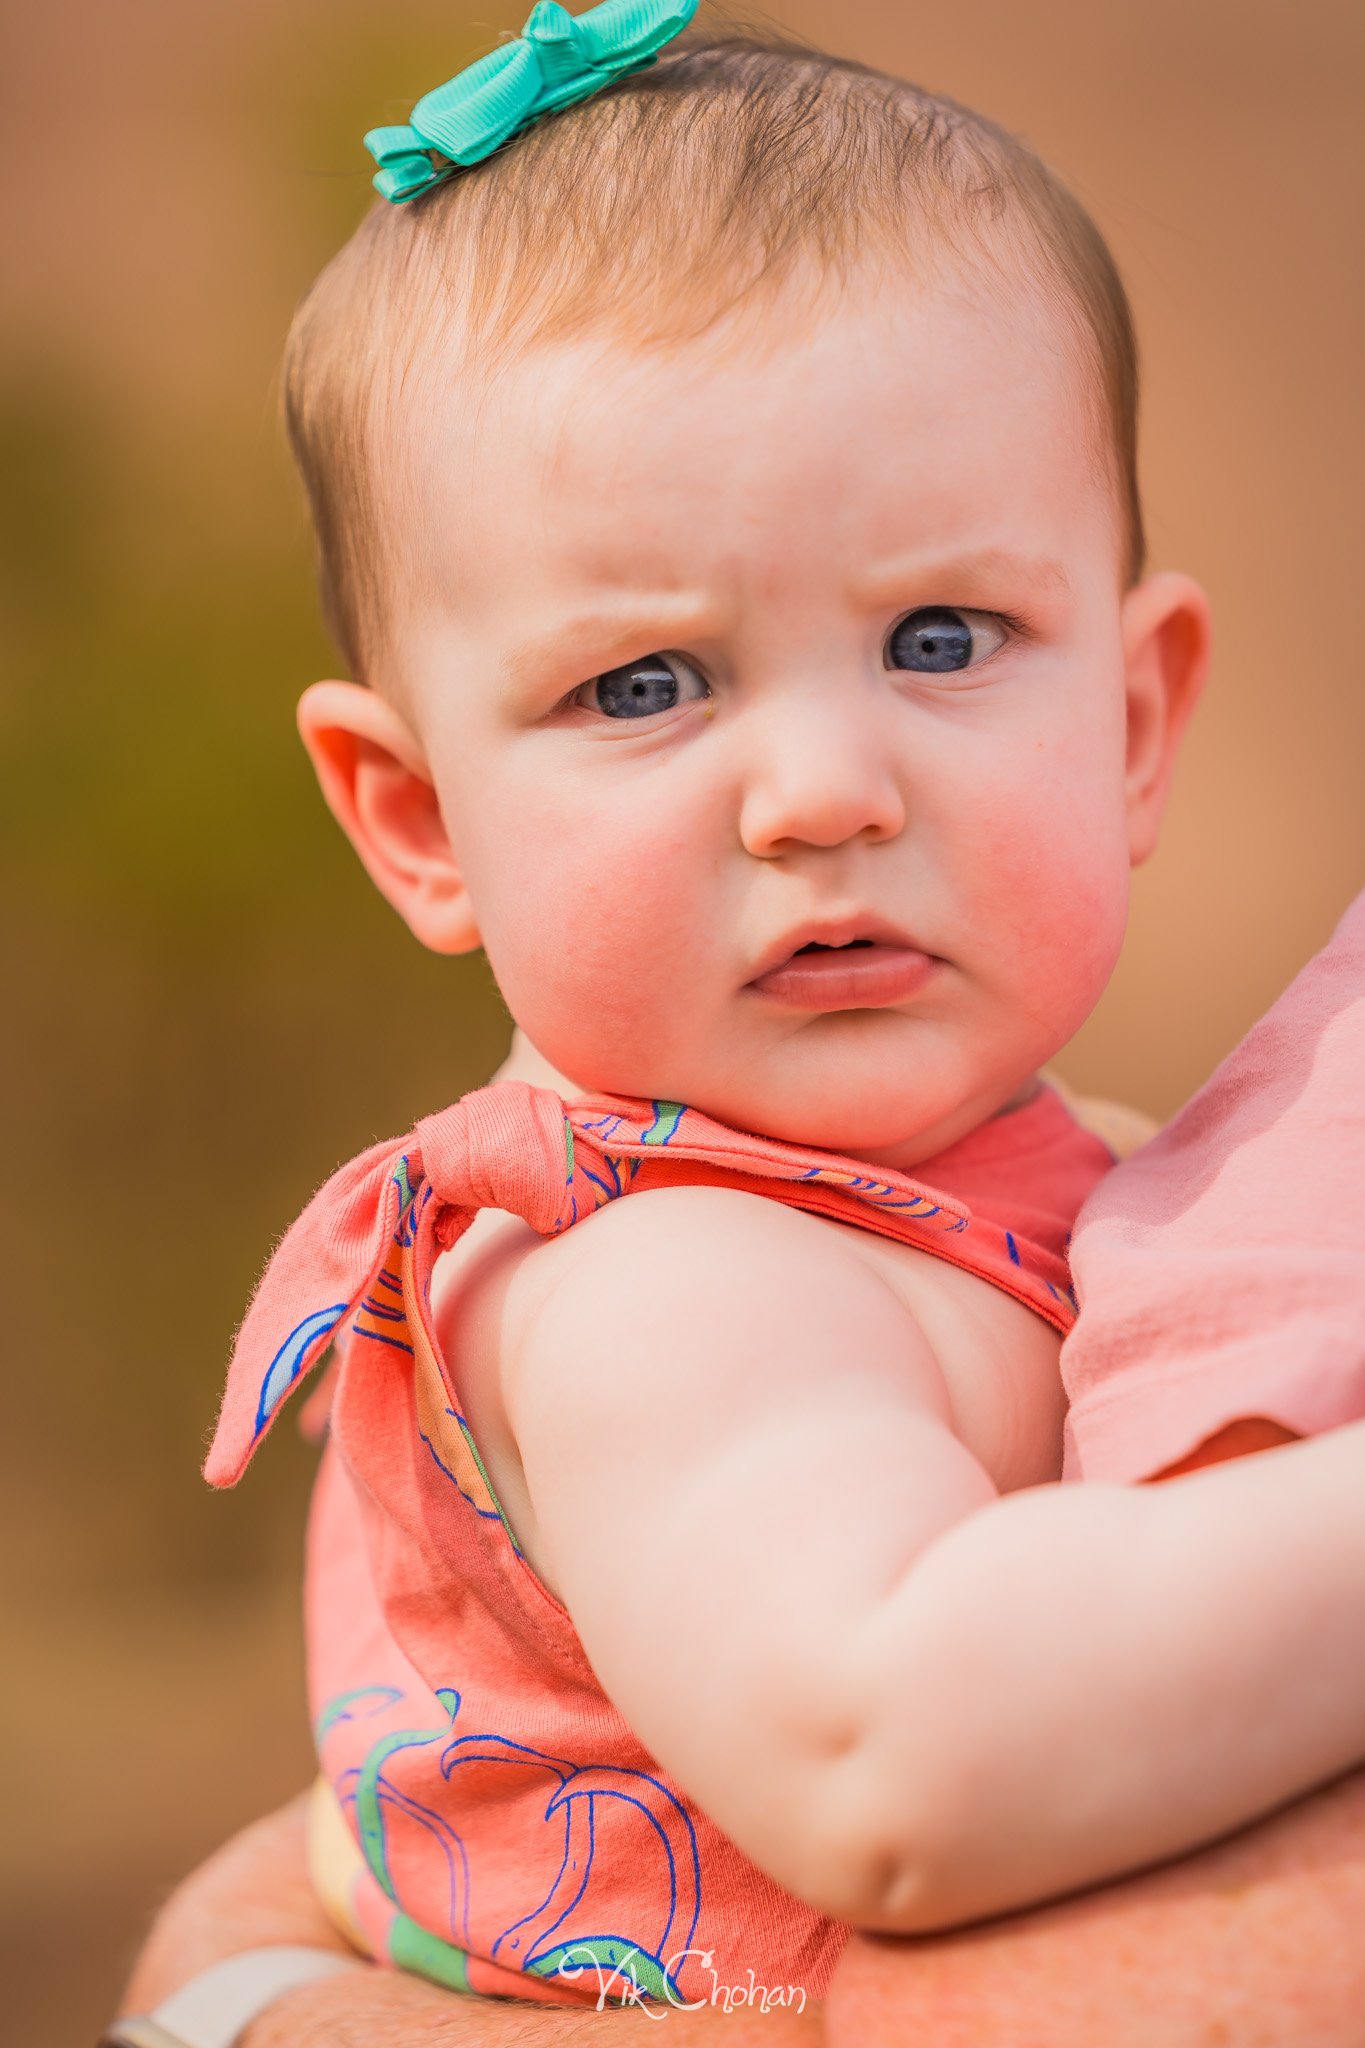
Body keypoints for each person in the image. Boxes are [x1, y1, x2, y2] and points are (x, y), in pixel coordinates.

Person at [114, 5, 1365, 2035]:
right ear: (421, 822)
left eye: (939, 638)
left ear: (1130, 722)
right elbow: (893, 1758)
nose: (821, 792)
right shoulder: (664, 1280)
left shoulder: (1034, 1185)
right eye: (642, 686)